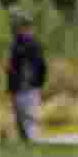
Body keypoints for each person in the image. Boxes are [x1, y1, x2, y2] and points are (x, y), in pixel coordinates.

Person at [6, 11, 47, 142]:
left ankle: (32, 142)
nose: (23, 30)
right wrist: (11, 89)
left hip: (31, 89)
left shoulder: (34, 45)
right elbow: (11, 69)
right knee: (20, 121)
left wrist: (39, 85)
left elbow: (41, 67)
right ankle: (26, 144)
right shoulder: (15, 45)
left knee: (30, 120)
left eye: (25, 27)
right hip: (18, 89)